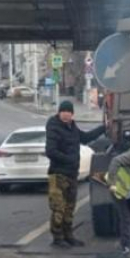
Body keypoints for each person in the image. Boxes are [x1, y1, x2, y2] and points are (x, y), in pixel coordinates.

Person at [45, 100, 106, 248]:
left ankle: (68, 235)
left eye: (69, 112)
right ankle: (57, 237)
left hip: (72, 174)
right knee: (58, 207)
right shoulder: (54, 127)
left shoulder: (72, 127)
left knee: (70, 207)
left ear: (72, 114)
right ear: (59, 112)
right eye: (63, 111)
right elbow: (50, 151)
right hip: (58, 174)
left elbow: (85, 138)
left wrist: (103, 128)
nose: (66, 114)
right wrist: (69, 160)